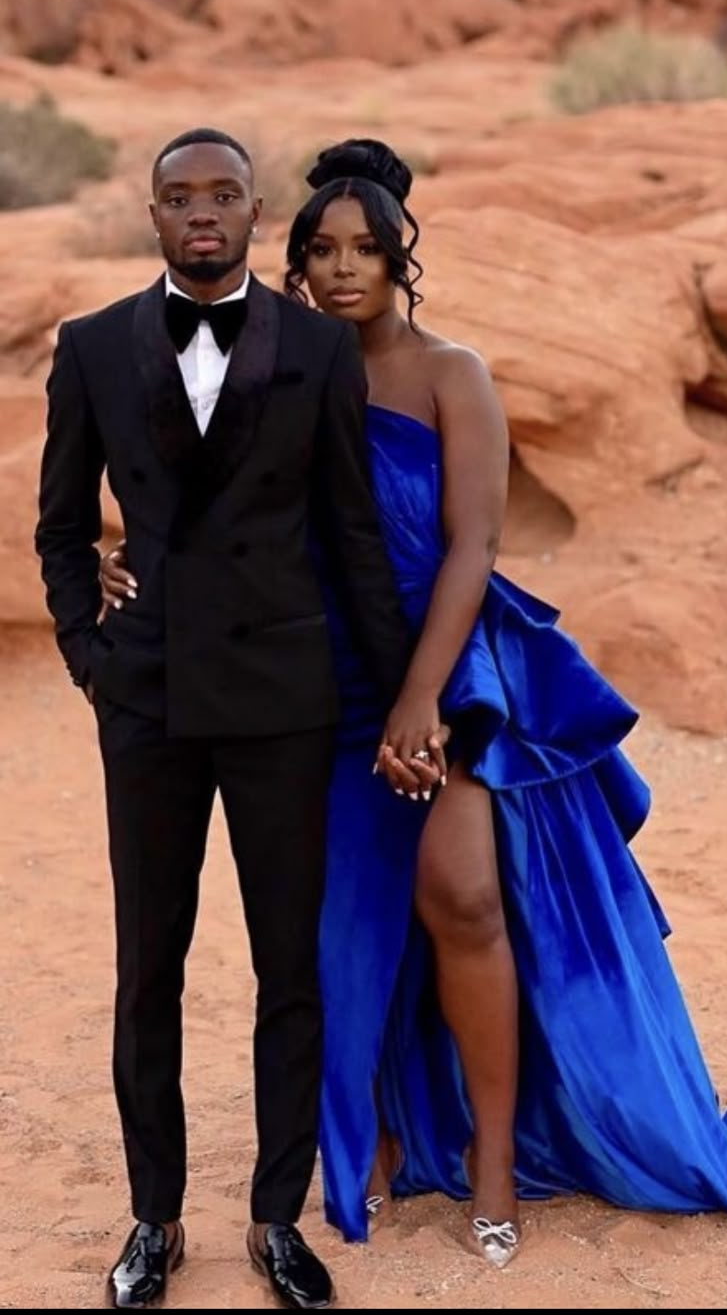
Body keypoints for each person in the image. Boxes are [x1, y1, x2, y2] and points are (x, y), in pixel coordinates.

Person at [102, 137, 727, 1271]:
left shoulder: (453, 375)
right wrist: (118, 565)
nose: (345, 269)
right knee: (346, 926)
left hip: (445, 669)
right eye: (321, 251)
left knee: (464, 900)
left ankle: (491, 1166)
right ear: (293, 266)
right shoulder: (274, 376)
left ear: (402, 261)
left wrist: (419, 703)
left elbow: (471, 547)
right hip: (315, 685)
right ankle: (388, 1139)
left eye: (367, 249)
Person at [35, 128, 438, 1312]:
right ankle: (153, 1220)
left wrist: (403, 696)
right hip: (148, 700)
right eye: (177, 196)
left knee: (288, 968)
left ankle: (275, 1218)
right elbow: (62, 526)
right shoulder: (95, 347)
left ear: (259, 214)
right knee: (145, 964)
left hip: (282, 700)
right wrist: (87, 652)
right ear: (150, 215)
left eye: (222, 194)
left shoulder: (316, 347)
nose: (199, 212)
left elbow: (354, 536)